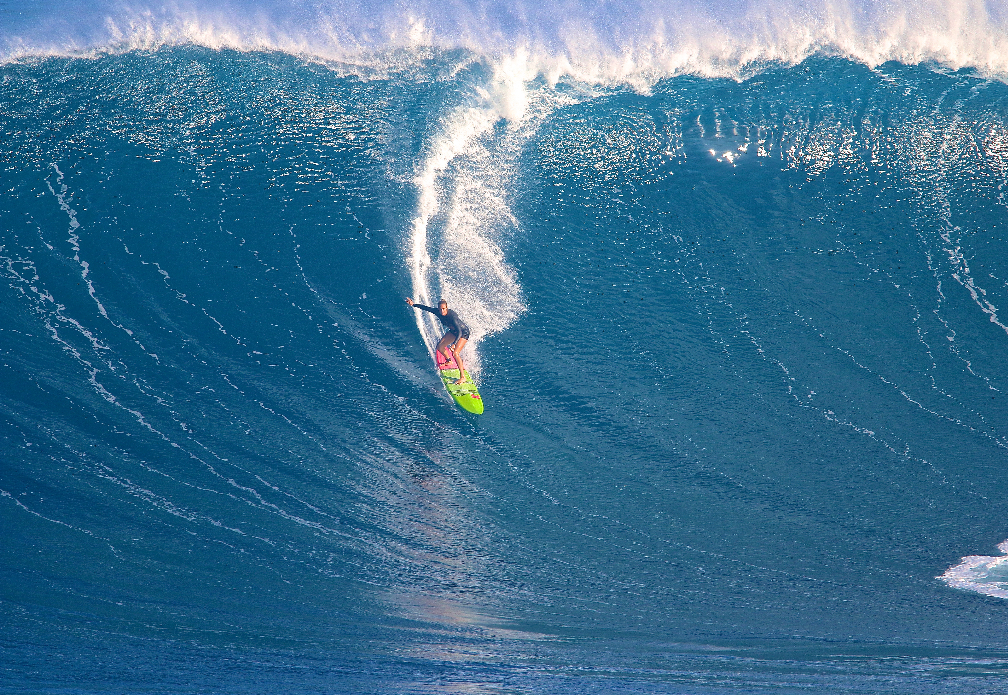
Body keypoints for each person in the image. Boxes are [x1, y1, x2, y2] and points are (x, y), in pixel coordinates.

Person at [406, 297, 470, 385]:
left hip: (463, 333)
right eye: (440, 309)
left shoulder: (452, 316)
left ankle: (463, 377)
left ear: (446, 308)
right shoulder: (438, 312)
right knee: (439, 346)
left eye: (444, 309)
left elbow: (459, 331)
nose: (442, 311)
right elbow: (426, 308)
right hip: (453, 331)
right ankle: (449, 360)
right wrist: (413, 304)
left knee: (455, 353)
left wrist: (454, 344)